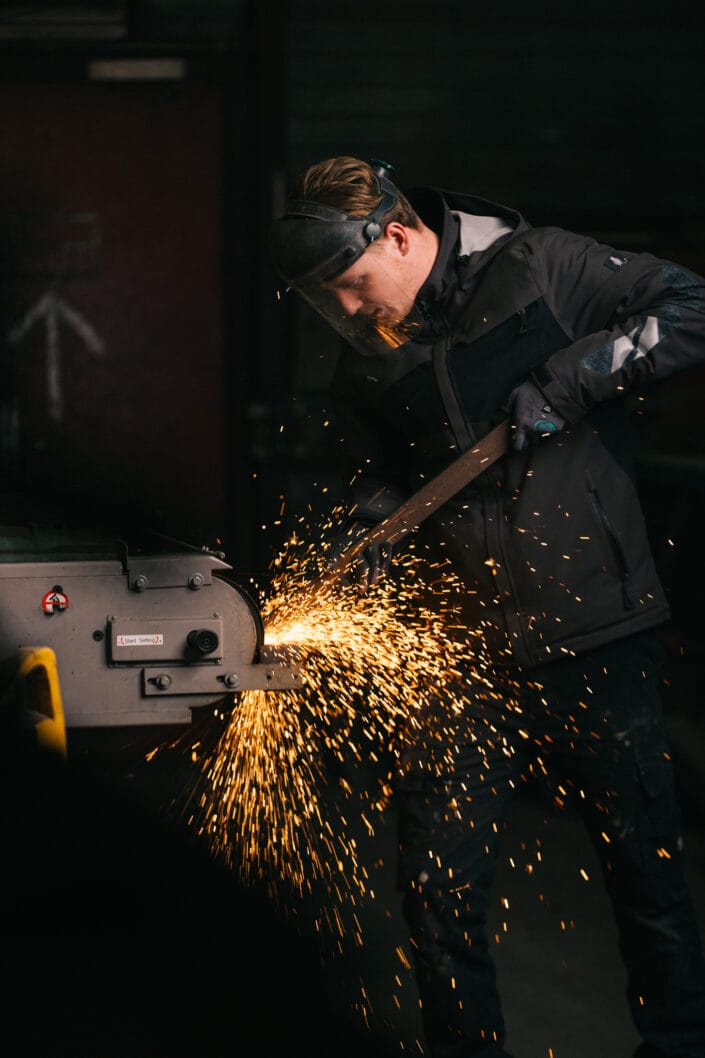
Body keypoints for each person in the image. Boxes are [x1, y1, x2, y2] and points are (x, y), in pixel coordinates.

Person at [269, 155, 705, 1058]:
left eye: (350, 287)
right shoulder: (371, 358)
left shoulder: (542, 267)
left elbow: (692, 306)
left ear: (395, 236)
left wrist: (569, 381)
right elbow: (387, 479)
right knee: (434, 890)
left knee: (643, 871)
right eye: (326, 302)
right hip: (457, 656)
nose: (346, 314)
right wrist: (367, 534)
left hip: (591, 628)